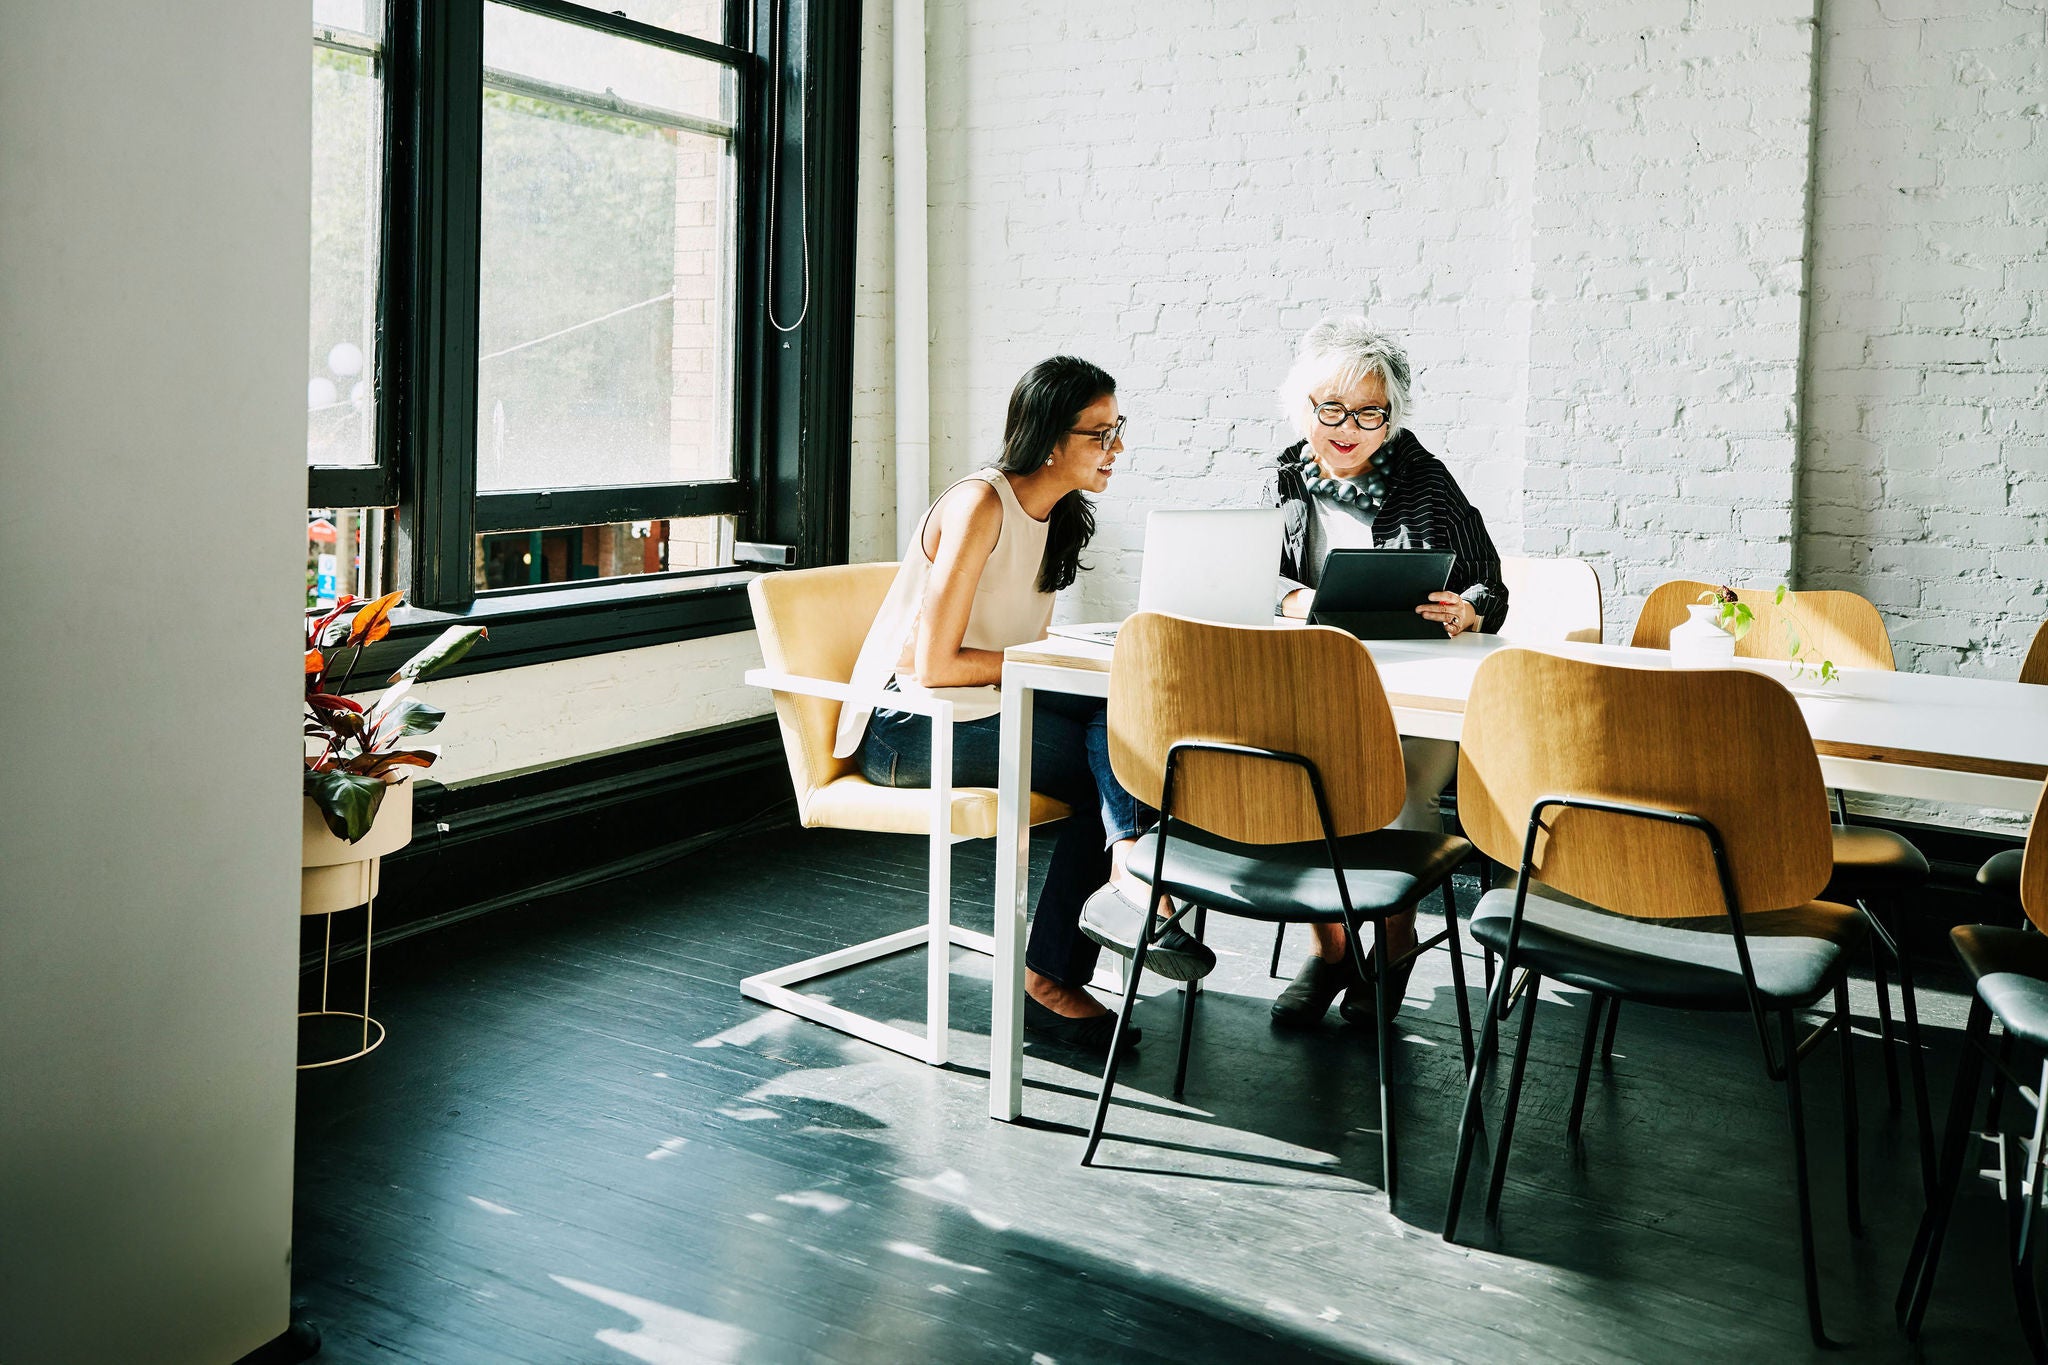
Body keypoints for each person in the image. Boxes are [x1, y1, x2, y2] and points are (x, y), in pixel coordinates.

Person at [833, 356, 1190, 1057]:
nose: (1116, 448)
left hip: (981, 707)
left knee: (1122, 718)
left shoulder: (1060, 516)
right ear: (1052, 438)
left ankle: (1122, 880)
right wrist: (1052, 660)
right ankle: (1088, 932)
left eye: (1118, 430)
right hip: (910, 726)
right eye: (1101, 433)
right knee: (1111, 753)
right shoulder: (980, 504)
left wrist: (1076, 657)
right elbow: (935, 666)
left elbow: (1007, 648)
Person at [1266, 316, 1508, 1030]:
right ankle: (1334, 947)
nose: (1348, 429)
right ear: (1304, 407)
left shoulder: (1426, 480)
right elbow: (1256, 577)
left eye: (1369, 413)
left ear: (1391, 416)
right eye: (1330, 411)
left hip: (1421, 702)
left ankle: (1396, 943)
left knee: (1394, 786)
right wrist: (1297, 598)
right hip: (1324, 688)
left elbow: (1489, 584)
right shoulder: (1286, 476)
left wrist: (1466, 611)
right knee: (1297, 773)